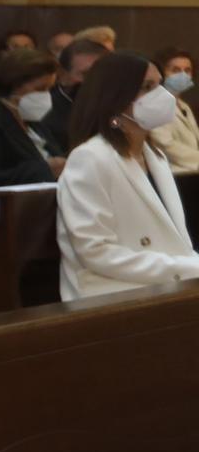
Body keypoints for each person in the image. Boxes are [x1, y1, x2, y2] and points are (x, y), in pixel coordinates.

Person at [57, 50, 199, 301]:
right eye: (147, 87)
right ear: (115, 98)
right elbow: (95, 251)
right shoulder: (90, 158)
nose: (161, 95)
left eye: (159, 85)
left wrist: (190, 266)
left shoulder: (155, 156)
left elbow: (176, 239)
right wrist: (186, 269)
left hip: (164, 285)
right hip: (111, 294)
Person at [0, 48, 65, 254]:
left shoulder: (34, 122)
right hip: (1, 224)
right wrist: (44, 169)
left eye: (50, 89)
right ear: (14, 87)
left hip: (42, 214)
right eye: (40, 89)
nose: (46, 96)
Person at [41, 37, 109, 153]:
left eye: (102, 73)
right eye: (86, 74)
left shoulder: (117, 105)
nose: (96, 81)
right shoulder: (46, 113)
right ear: (62, 75)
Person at [150, 47, 199, 173]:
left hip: (191, 173)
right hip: (173, 176)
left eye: (187, 70)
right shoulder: (154, 104)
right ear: (161, 73)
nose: (182, 75)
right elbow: (165, 145)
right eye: (175, 70)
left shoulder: (184, 106)